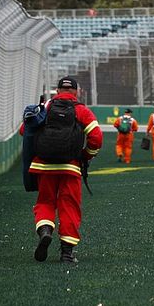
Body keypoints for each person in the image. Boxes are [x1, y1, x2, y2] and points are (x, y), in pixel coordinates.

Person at [25, 76, 102, 264]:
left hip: (43, 166)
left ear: (57, 91)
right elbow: (96, 138)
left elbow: (24, 130)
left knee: (45, 202)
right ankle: (66, 253)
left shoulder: (47, 107)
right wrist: (86, 155)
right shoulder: (81, 110)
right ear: (76, 92)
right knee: (70, 206)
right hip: (70, 167)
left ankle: (45, 230)